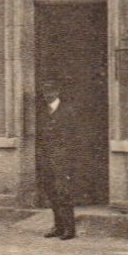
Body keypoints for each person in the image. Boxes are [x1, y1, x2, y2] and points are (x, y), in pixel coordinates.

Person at [36, 76, 78, 240]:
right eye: (45, 91)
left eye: (51, 91)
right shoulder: (43, 112)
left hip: (62, 160)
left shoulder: (67, 111)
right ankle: (58, 226)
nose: (47, 94)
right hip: (47, 159)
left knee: (64, 193)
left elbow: (73, 138)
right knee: (51, 192)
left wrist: (68, 159)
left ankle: (69, 228)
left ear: (57, 91)